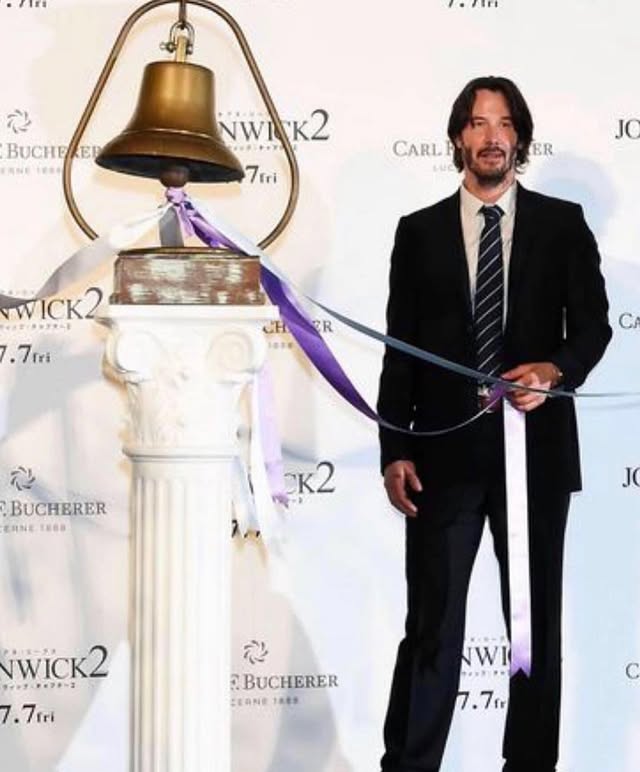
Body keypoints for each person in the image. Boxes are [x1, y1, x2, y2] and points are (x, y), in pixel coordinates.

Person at [377, 76, 611, 772]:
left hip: (535, 458)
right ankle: (410, 765)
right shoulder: (416, 233)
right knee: (431, 626)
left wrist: (553, 371)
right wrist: (395, 448)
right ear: (458, 138)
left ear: (520, 139)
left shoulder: (562, 224)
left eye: (504, 124)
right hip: (441, 461)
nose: (491, 137)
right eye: (478, 123)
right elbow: (399, 351)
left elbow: (593, 328)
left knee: (532, 633)